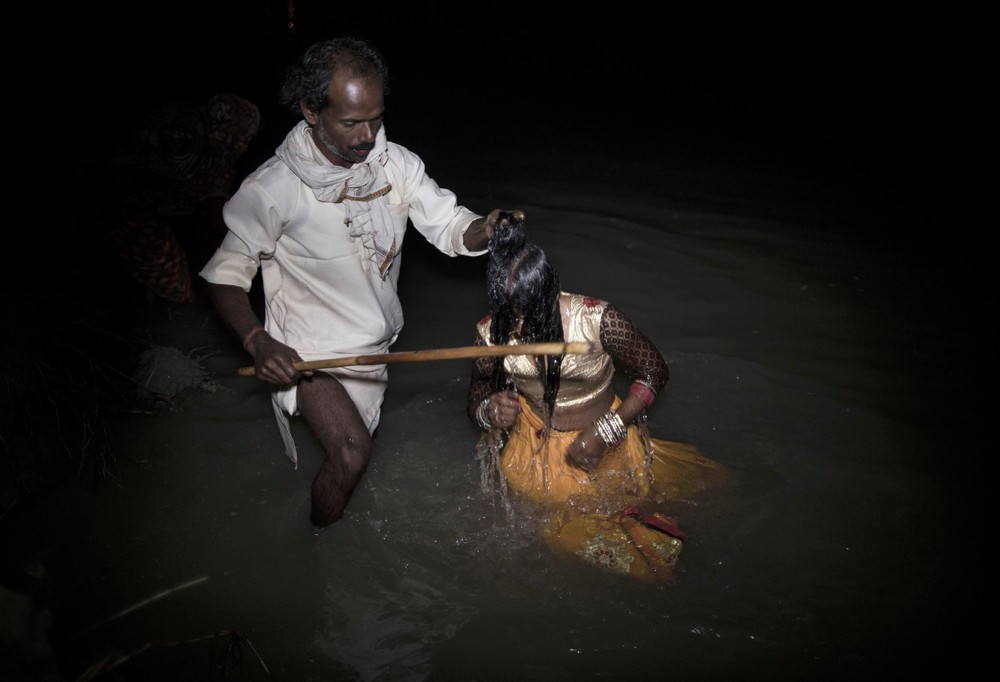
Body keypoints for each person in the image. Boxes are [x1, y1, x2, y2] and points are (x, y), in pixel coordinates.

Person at [200, 37, 523, 529]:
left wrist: (487, 228)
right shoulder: (274, 189)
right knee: (352, 453)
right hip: (307, 352)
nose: (367, 135)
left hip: (374, 348)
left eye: (375, 118)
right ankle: (314, 550)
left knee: (352, 455)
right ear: (310, 109)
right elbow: (225, 276)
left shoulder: (395, 165)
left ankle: (324, 537)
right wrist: (256, 340)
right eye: (351, 122)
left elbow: (449, 224)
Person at [466, 214, 727, 583]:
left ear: (549, 293)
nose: (519, 330)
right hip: (534, 451)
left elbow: (655, 371)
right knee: (553, 540)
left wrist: (608, 430)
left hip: (605, 441)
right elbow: (476, 391)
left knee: (694, 500)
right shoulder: (490, 333)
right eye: (512, 318)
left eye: (530, 317)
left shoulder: (596, 318)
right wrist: (489, 410)